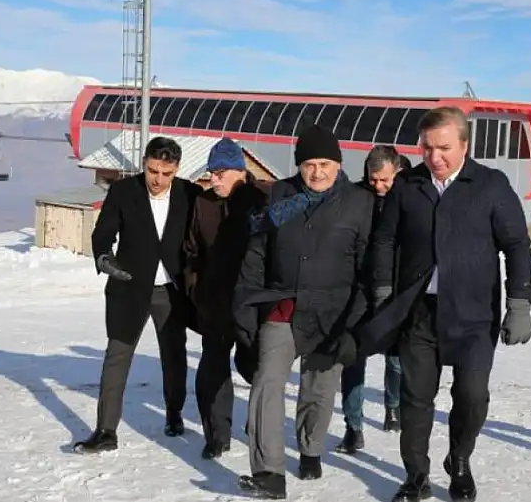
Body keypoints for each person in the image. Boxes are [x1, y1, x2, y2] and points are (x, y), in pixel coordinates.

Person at [355, 105, 531, 502]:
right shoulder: (409, 185)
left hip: (473, 314)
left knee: (472, 396)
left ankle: (460, 459)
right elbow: (385, 240)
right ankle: (416, 476)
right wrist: (384, 293)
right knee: (415, 399)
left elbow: (517, 244)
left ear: (465, 145)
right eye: (427, 148)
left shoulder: (489, 185)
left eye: (444, 148)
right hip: (419, 313)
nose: (434, 157)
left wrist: (519, 301)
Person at [232, 124, 376, 499]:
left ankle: (311, 449)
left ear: (339, 163)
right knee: (267, 381)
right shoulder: (281, 193)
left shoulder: (360, 203)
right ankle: (268, 473)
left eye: (324, 163)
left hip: (333, 313)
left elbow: (368, 269)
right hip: (283, 306)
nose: (316, 172)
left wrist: (356, 324)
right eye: (309, 164)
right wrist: (247, 299)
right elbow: (259, 250)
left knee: (319, 389)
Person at [73, 136, 203, 454]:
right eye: (152, 170)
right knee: (117, 356)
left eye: (166, 173)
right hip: (128, 287)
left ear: (177, 170)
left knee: (174, 356)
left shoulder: (191, 193)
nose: (158, 180)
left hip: (171, 292)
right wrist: (104, 258)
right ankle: (105, 430)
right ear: (144, 162)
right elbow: (103, 232)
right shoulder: (123, 191)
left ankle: (174, 413)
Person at [183, 137, 270, 460]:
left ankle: (259, 424)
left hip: (252, 305)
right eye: (211, 172)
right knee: (212, 370)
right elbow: (191, 250)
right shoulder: (204, 204)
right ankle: (217, 436)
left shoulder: (262, 199)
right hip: (214, 303)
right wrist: (197, 290)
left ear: (239, 171)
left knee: (255, 368)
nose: (214, 179)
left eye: (220, 172)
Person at [335, 145, 406, 455]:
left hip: (395, 286)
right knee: (351, 355)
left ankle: (393, 406)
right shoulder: (355, 197)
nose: (378, 186)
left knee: (396, 356)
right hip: (357, 288)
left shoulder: (410, 196)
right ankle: (354, 427)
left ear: (398, 172)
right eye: (373, 180)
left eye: (385, 181)